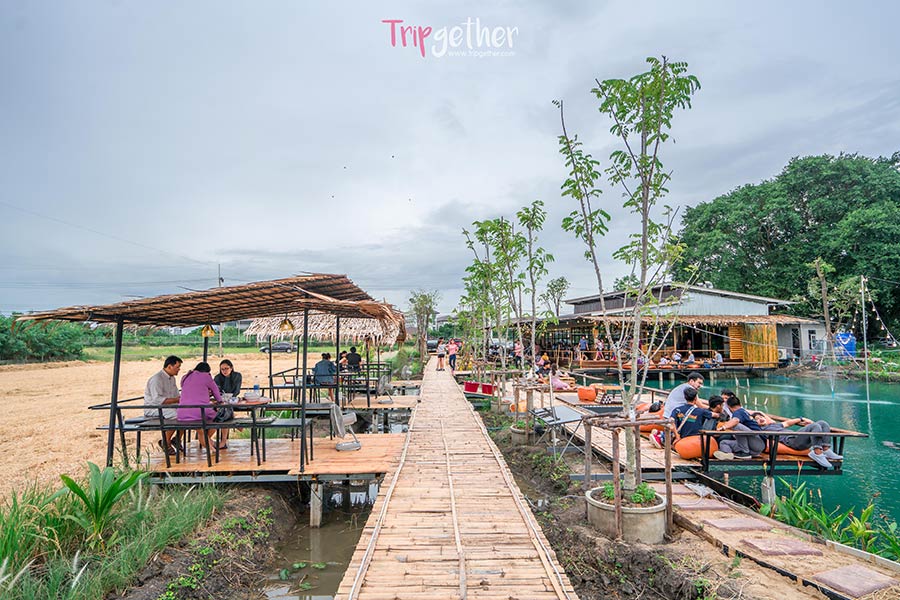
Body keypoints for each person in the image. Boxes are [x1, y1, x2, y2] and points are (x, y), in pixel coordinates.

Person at [753, 412, 841, 469]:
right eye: (757, 419)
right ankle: (817, 453)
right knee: (815, 426)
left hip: (797, 437)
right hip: (792, 442)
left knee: (823, 423)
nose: (760, 419)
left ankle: (825, 449)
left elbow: (788, 423)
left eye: (761, 417)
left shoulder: (775, 425)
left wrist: (802, 419)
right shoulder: (761, 431)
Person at [177, 362, 223, 450]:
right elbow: (216, 391)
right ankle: (208, 440)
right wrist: (220, 401)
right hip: (199, 412)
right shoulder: (206, 376)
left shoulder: (186, 376)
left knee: (201, 427)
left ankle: (208, 444)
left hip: (182, 413)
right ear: (207, 371)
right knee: (218, 418)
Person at [653, 392, 725, 448]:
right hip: (693, 439)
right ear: (695, 399)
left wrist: (677, 436)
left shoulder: (678, 409)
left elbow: (671, 422)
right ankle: (661, 436)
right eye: (722, 405)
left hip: (680, 435)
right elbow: (707, 430)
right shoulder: (702, 412)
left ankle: (661, 435)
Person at [144, 355, 182, 454]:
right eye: (177, 367)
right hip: (154, 408)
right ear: (169, 366)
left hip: (168, 407)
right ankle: (166, 441)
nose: (179, 369)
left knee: (187, 413)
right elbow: (157, 400)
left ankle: (177, 439)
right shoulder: (156, 379)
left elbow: (176, 395)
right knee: (177, 415)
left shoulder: (172, 378)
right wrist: (177, 400)